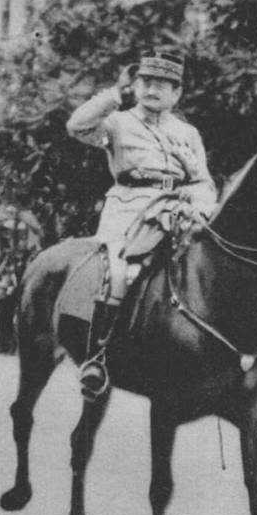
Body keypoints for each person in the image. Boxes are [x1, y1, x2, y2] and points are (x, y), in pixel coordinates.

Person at [66, 49, 218, 397]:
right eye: (147, 82)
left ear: (177, 93)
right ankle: (99, 357)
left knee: (207, 271)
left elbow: (203, 182)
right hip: (129, 212)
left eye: (164, 85)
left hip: (179, 211)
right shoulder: (117, 122)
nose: (153, 90)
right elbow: (77, 126)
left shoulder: (187, 133)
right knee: (120, 273)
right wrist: (112, 96)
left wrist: (201, 207)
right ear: (135, 86)